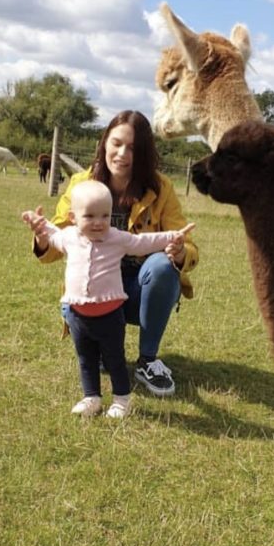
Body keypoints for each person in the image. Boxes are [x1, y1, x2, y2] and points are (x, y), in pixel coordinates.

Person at [30, 110, 199, 397]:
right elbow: (55, 244)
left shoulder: (161, 188)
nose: (122, 153)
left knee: (161, 266)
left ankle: (147, 360)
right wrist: (41, 236)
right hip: (90, 295)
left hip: (137, 293)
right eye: (116, 143)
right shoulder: (81, 183)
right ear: (104, 142)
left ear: (144, 153)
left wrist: (180, 251)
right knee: (99, 363)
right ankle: (94, 344)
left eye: (132, 148)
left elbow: (189, 246)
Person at [22, 180, 194, 418]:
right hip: (77, 314)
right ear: (73, 217)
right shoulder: (69, 237)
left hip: (110, 315)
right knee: (86, 359)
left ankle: (121, 400)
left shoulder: (117, 238)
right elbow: (51, 233)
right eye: (90, 216)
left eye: (105, 216)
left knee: (115, 360)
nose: (98, 222)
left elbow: (145, 242)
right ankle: (91, 397)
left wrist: (174, 237)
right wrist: (38, 224)